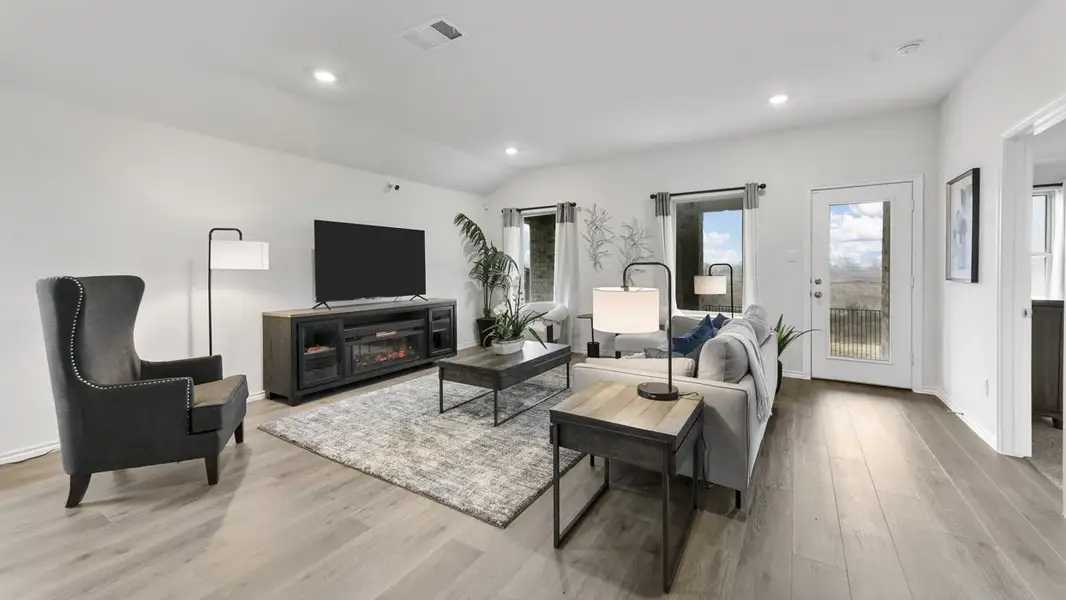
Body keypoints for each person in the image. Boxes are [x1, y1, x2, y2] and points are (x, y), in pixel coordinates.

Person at [952, 188, 971, 273]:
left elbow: (964, 226)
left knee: (963, 250)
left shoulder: (963, 216)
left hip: (962, 236)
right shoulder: (958, 216)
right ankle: (961, 264)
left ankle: (963, 264)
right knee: (961, 250)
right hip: (960, 236)